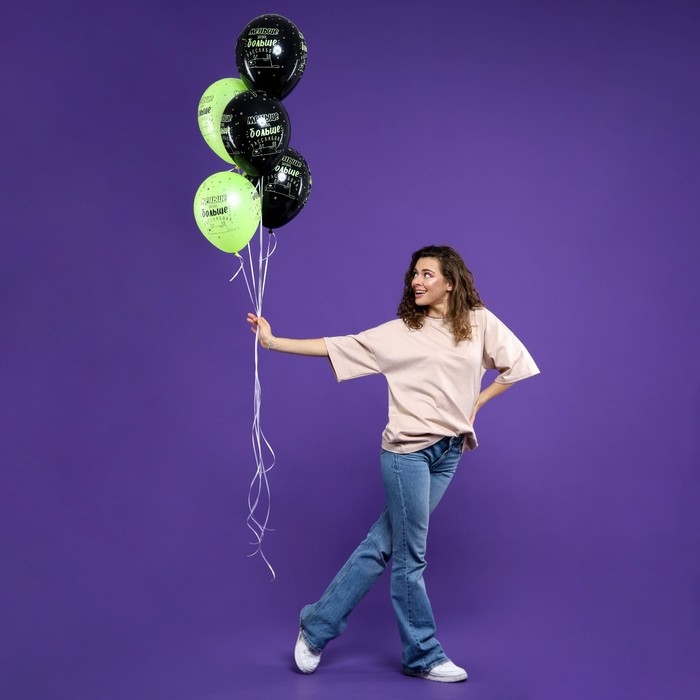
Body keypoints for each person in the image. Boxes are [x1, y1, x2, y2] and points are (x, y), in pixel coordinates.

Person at [246, 245, 539, 683]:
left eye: (427, 274)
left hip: (449, 453)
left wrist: (476, 402)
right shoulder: (402, 331)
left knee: (381, 544)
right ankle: (422, 653)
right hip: (407, 454)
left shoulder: (478, 322)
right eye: (414, 274)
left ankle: (317, 625)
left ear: (450, 282)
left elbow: (517, 365)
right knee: (410, 556)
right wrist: (272, 342)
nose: (416, 281)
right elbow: (339, 346)